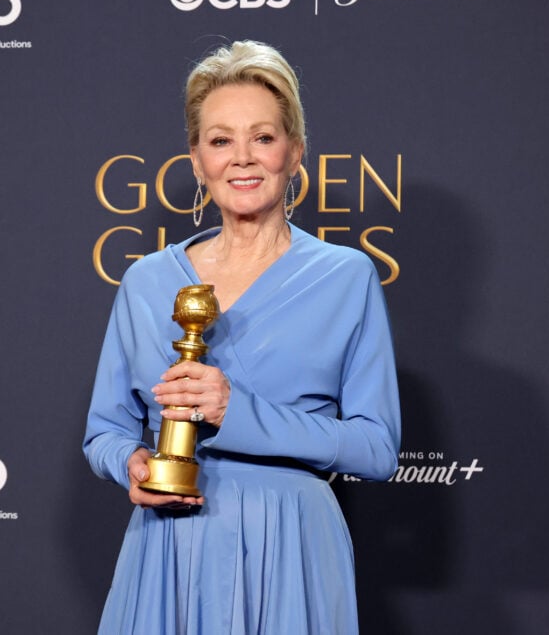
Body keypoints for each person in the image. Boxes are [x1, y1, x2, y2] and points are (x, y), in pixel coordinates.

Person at [83, 40, 401, 634]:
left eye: (263, 136)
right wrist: (132, 462)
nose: (242, 158)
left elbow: (377, 448)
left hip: (294, 547)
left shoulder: (346, 276)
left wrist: (238, 411)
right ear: (198, 160)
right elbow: (104, 429)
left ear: (295, 150)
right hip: (170, 545)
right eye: (220, 140)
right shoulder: (147, 281)